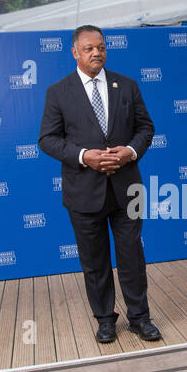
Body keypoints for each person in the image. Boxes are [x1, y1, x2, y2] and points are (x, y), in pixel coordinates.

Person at [38, 25, 159, 343]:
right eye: (89, 48)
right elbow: (47, 140)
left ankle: (140, 317)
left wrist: (130, 151)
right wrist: (82, 156)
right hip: (83, 192)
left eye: (101, 47)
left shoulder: (127, 86)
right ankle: (105, 319)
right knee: (94, 261)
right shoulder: (58, 92)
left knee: (132, 255)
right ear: (75, 53)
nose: (97, 53)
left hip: (126, 189)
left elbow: (146, 127)